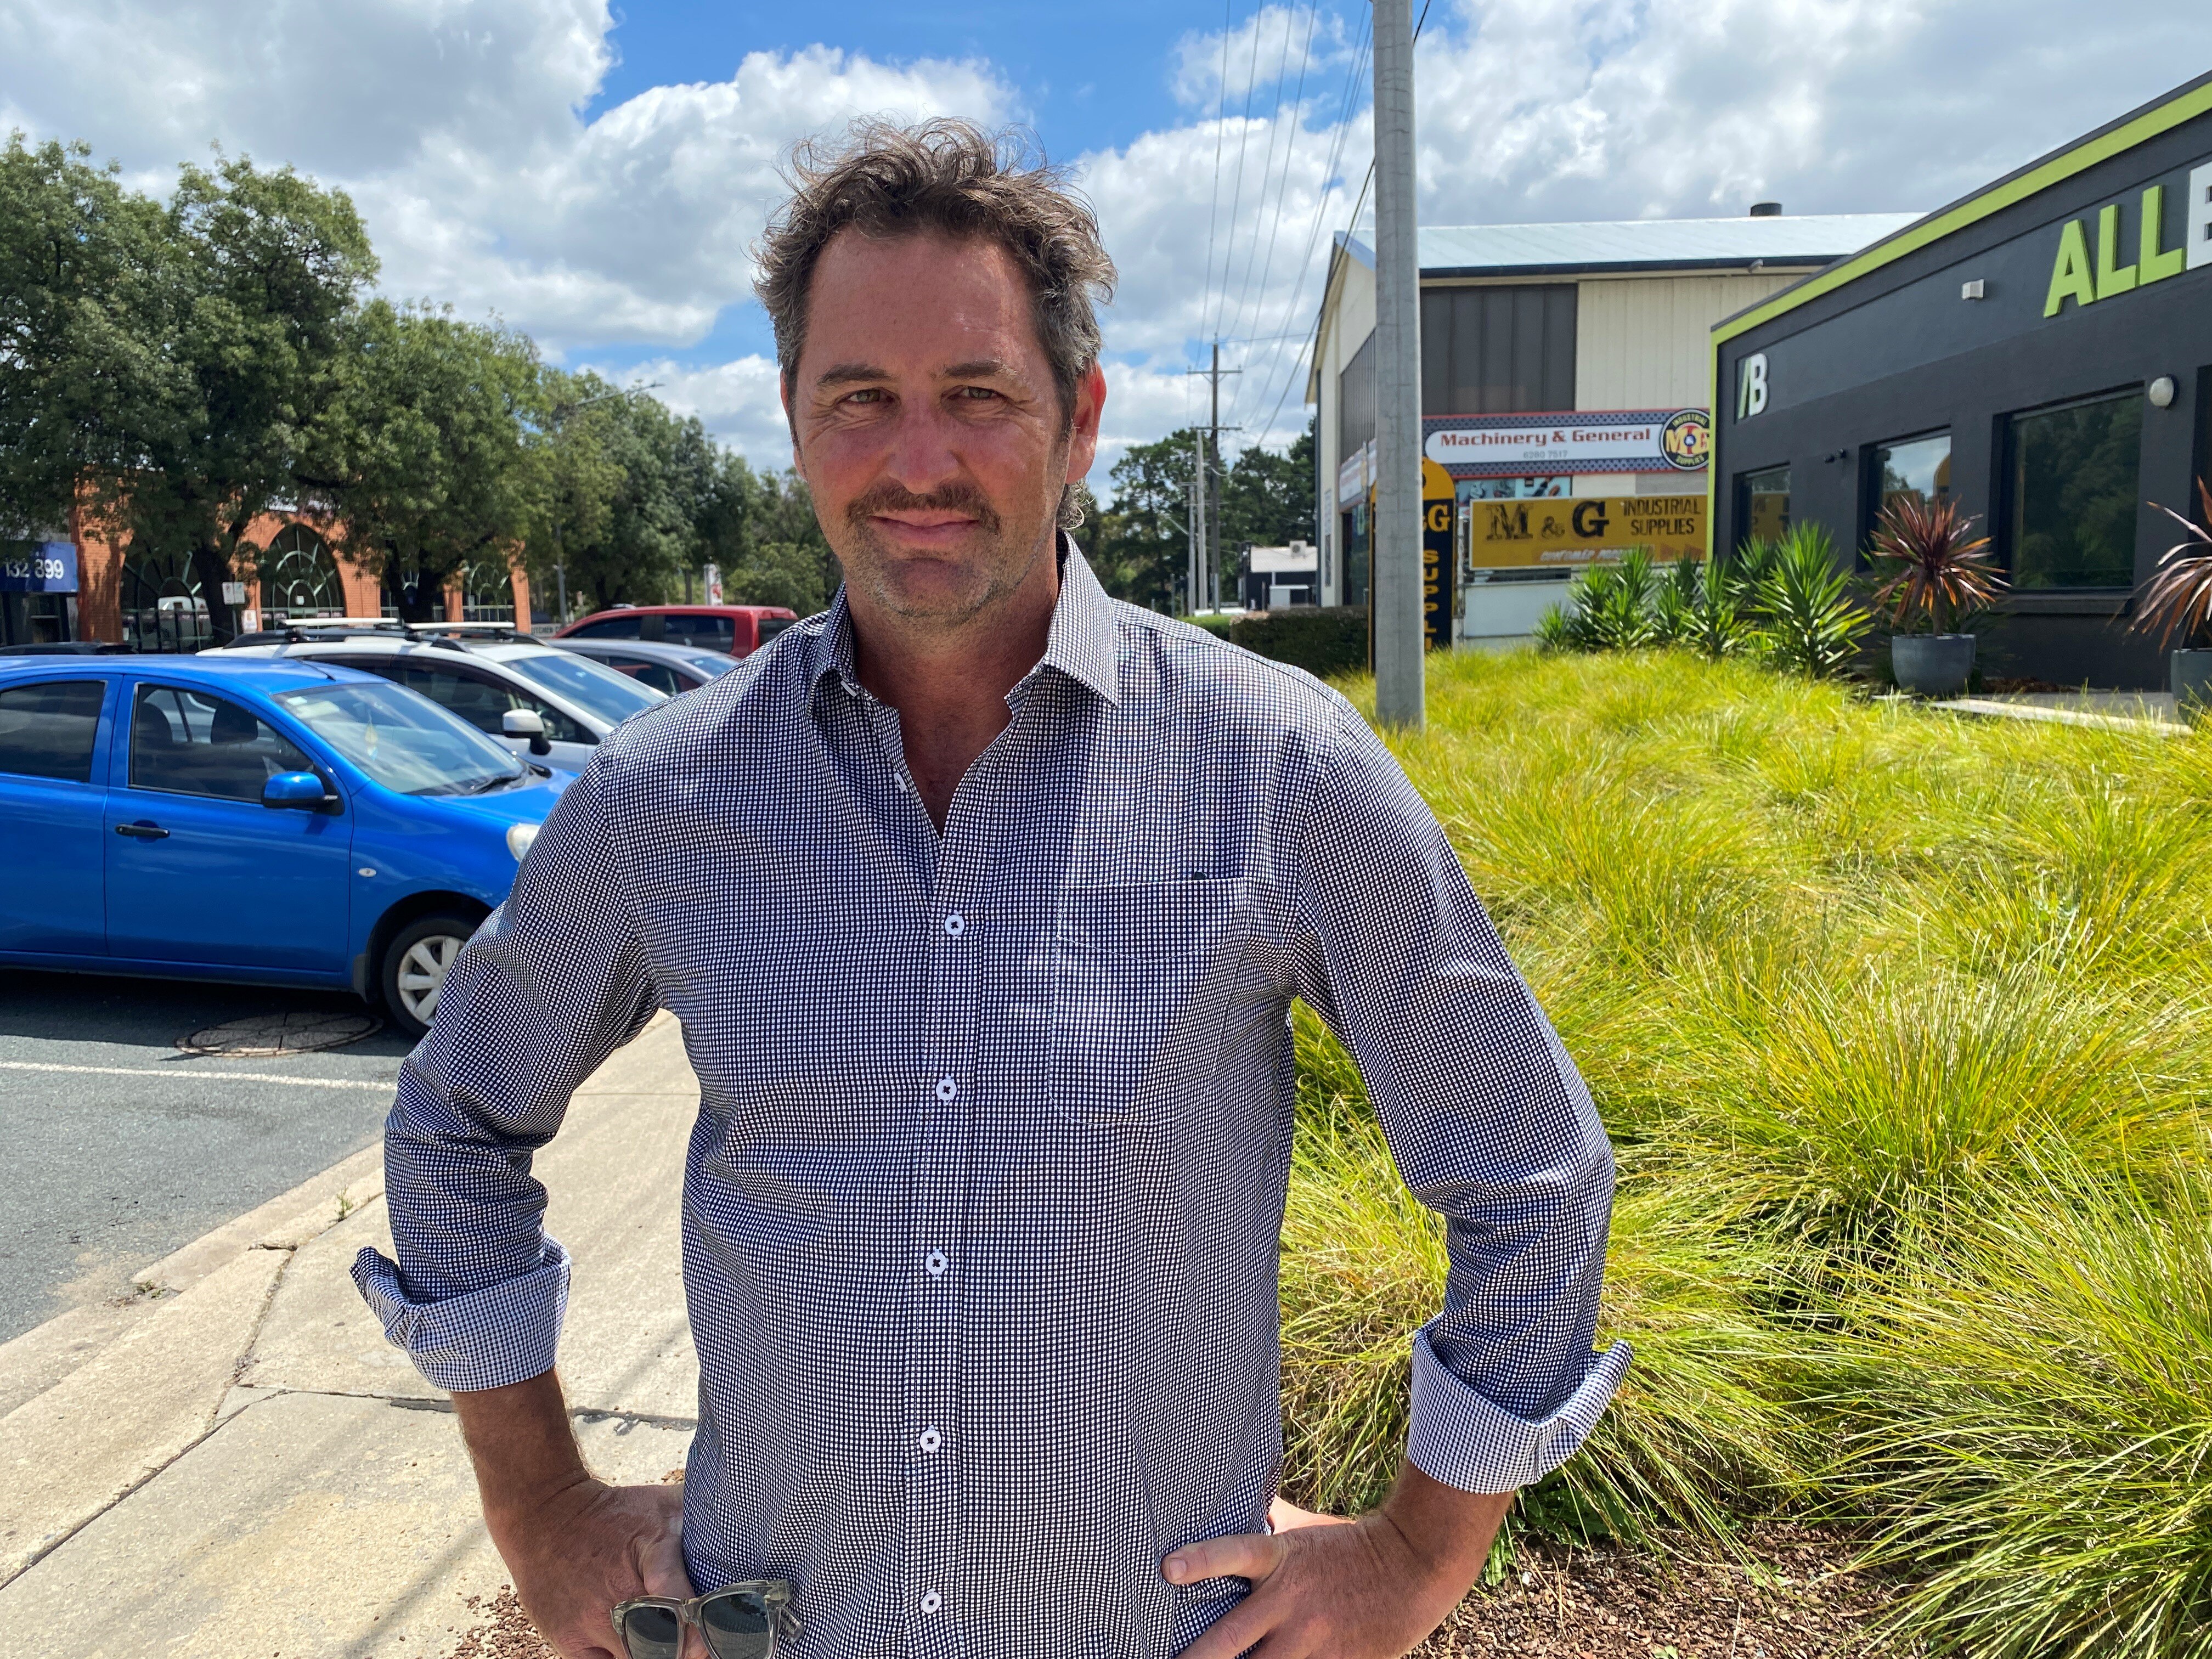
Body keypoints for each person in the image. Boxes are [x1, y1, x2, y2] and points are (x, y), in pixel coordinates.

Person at [354, 118, 1626, 1659]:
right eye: (860, 402)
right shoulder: (666, 798)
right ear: (795, 422)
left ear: (1077, 419)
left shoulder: (1275, 767)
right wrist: (540, 1509)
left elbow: (1531, 1172)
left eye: (977, 397)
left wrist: (1421, 1553)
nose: (917, 461)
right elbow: (454, 1124)